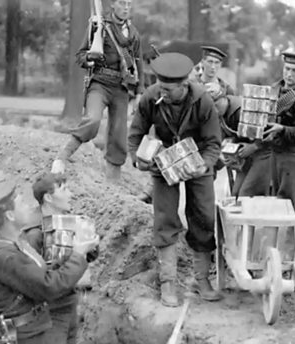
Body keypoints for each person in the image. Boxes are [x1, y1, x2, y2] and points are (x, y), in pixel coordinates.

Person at [128, 52, 222, 307]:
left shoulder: (202, 101)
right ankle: (168, 282)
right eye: (161, 88)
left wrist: (204, 164)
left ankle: (201, 279)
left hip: (198, 160)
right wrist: (139, 159)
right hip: (162, 162)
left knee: (203, 215)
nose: (164, 94)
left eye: (169, 90)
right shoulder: (150, 97)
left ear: (184, 85)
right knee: (165, 218)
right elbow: (135, 135)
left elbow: (214, 142)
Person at [0, 181, 98, 344]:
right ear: (10, 216)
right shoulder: (4, 255)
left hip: (33, 329)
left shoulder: (13, 242)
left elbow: (39, 274)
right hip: (27, 335)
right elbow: (48, 286)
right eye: (22, 204)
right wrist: (77, 255)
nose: (28, 207)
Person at [52, 0, 144, 181]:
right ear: (113, 6)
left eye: (129, 4)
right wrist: (90, 58)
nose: (126, 7)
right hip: (99, 84)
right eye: (122, 3)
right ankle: (62, 157)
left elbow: (138, 65)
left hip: (122, 88)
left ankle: (113, 183)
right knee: (92, 120)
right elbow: (80, 55)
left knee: (119, 135)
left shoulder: (133, 34)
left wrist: (139, 92)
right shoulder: (98, 26)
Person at [21, 173, 97, 344]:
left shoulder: (68, 222)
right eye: (64, 189)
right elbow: (35, 281)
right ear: (48, 197)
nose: (71, 194)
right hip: (49, 311)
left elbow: (84, 258)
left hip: (69, 303)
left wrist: (89, 247)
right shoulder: (34, 234)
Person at [264, 51, 295, 210]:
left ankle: (289, 236)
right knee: (272, 199)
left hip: (292, 155)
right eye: (287, 69)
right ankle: (271, 235)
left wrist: (281, 128)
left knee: (288, 202)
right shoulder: (274, 90)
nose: (289, 74)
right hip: (274, 152)